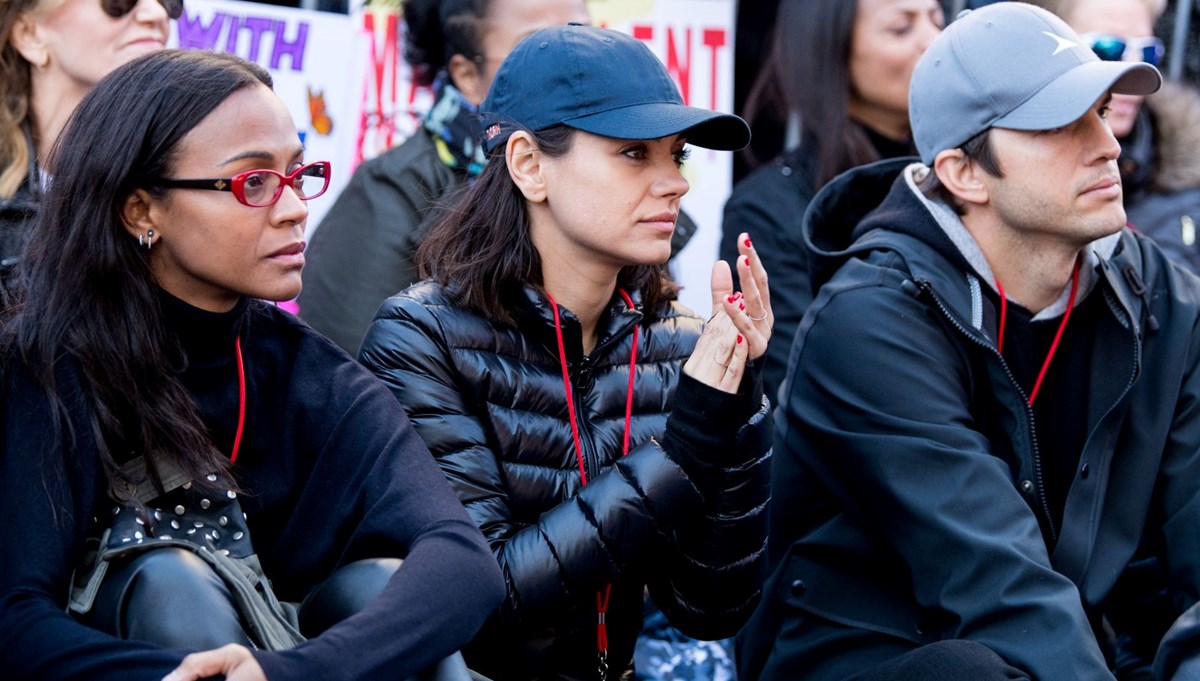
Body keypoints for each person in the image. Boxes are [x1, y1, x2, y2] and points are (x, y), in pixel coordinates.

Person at [0, 49, 504, 681]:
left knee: (375, 588)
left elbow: (463, 560)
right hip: (140, 656)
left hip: (294, 653)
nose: (294, 208)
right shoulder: (52, 362)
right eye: (253, 183)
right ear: (141, 211)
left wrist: (293, 672)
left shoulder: (312, 374)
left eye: (297, 174)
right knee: (168, 581)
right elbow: (15, 615)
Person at [735, 2, 1200, 679]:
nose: (1107, 145)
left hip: (1058, 644)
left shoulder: (1160, 292)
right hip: (881, 657)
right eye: (1063, 124)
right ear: (963, 173)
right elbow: (999, 586)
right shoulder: (867, 322)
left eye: (1101, 112)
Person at [359, 24, 773, 681]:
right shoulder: (421, 338)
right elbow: (486, 603)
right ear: (527, 164)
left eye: (678, 154)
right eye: (635, 153)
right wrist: (685, 449)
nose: (676, 184)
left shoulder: (674, 341)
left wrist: (736, 399)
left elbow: (710, 607)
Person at [298, 0, 590, 354]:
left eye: (586, 38)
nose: (577, 70)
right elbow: (353, 381)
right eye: (537, 48)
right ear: (467, 75)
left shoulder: (623, 184)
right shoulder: (390, 193)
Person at [720, 0, 943, 400]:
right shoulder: (769, 208)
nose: (934, 41)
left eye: (937, 19)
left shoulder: (962, 178)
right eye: (900, 28)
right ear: (831, 49)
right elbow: (797, 387)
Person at [0, 0, 177, 309]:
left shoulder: (190, 170)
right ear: (29, 34)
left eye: (168, 2)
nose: (157, 15)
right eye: (118, 3)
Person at [1030, 0, 1200, 274]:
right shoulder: (1010, 176)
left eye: (1147, 53)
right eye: (1109, 48)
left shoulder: (1185, 179)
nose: (1132, 68)